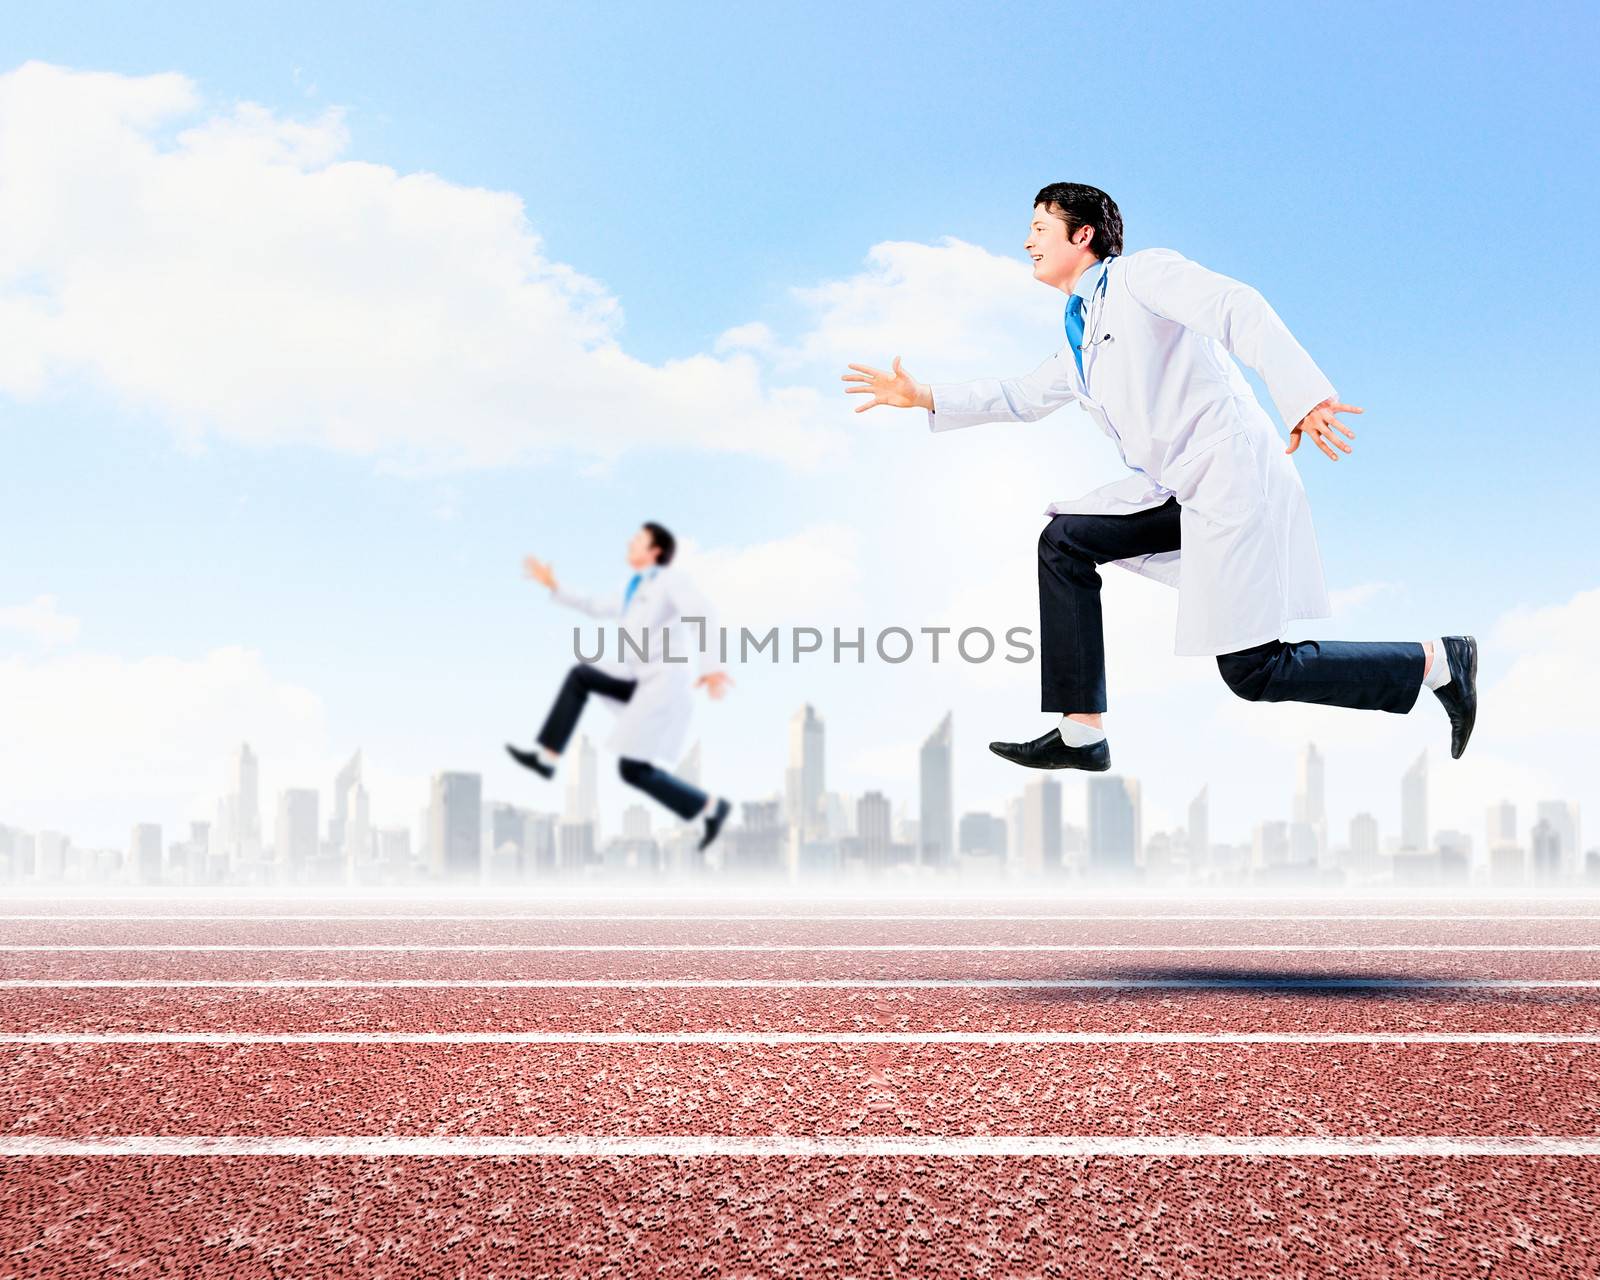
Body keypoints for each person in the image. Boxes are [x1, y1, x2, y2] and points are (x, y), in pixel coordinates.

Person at [842, 182, 1475, 771]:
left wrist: (1301, 397)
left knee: (1253, 672)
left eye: (1039, 227)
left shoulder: (1142, 275)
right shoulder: (1078, 336)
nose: (1028, 242)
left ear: (1082, 235)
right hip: (1182, 494)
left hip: (1231, 481)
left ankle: (1437, 661)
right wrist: (923, 394)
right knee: (1064, 541)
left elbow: (1236, 306)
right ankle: (1081, 733)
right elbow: (1021, 396)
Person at [508, 521, 734, 850]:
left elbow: (702, 613)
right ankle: (547, 759)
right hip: (638, 681)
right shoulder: (635, 587)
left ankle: (711, 807)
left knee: (632, 769)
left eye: (639, 539)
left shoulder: (671, 581)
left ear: (655, 550)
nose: (630, 541)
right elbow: (595, 605)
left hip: (663, 684)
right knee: (581, 676)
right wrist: (554, 586)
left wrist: (712, 667)